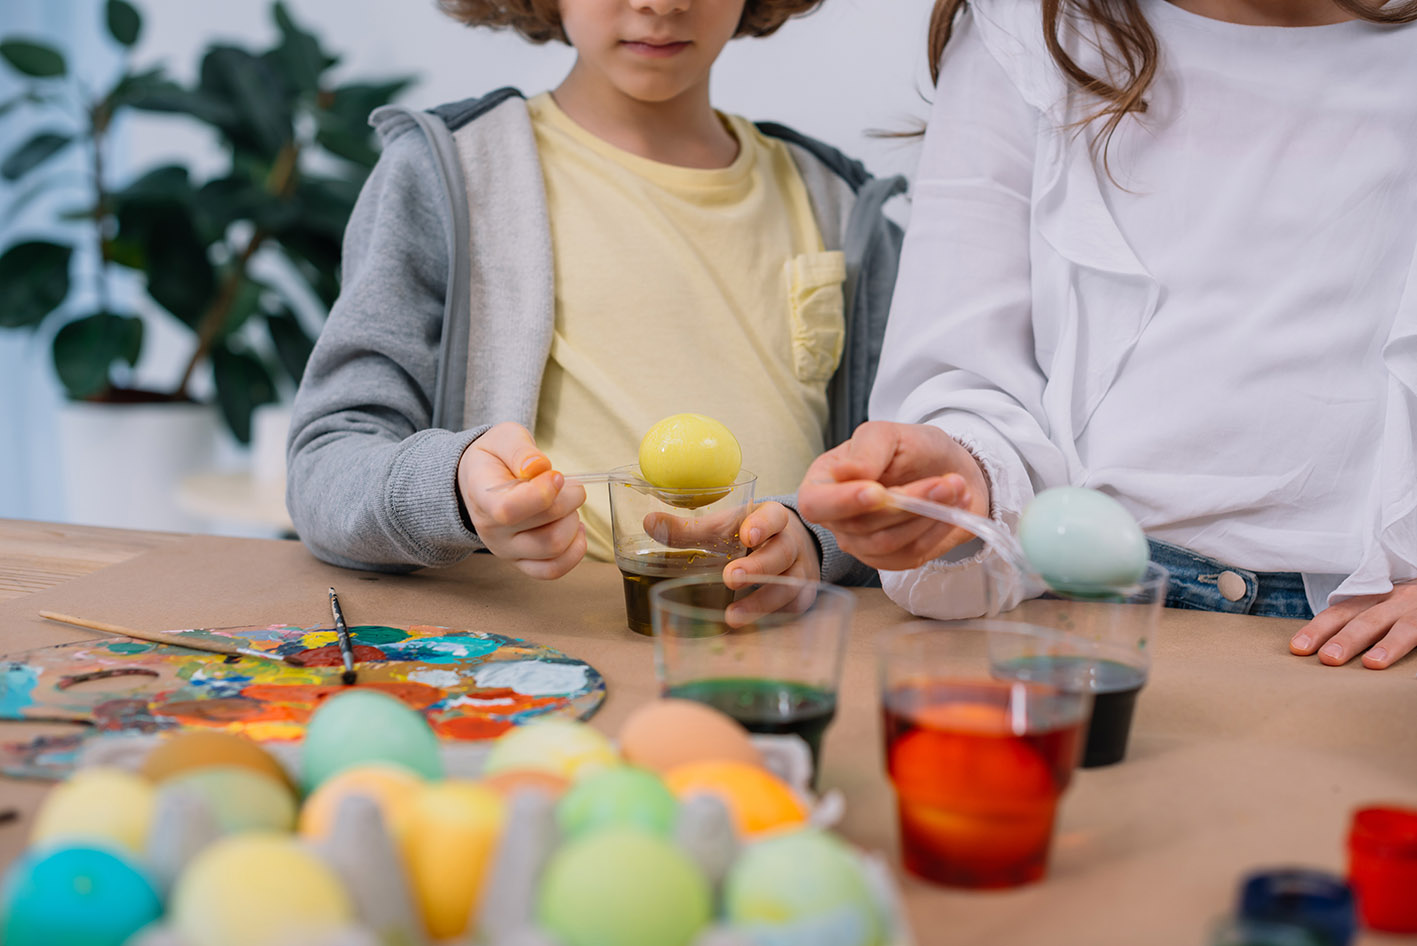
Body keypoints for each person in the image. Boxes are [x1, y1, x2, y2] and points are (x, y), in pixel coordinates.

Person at [797, 0, 1417, 667]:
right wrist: (962, 474)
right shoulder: (1025, 32)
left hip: (1375, 633)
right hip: (1085, 608)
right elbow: (964, 371)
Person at [286, 0, 904, 617]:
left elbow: (908, 487)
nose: (661, 4)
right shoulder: (451, 174)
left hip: (776, 659)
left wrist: (818, 541)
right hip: (534, 660)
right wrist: (453, 489)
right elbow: (326, 467)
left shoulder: (842, 207)